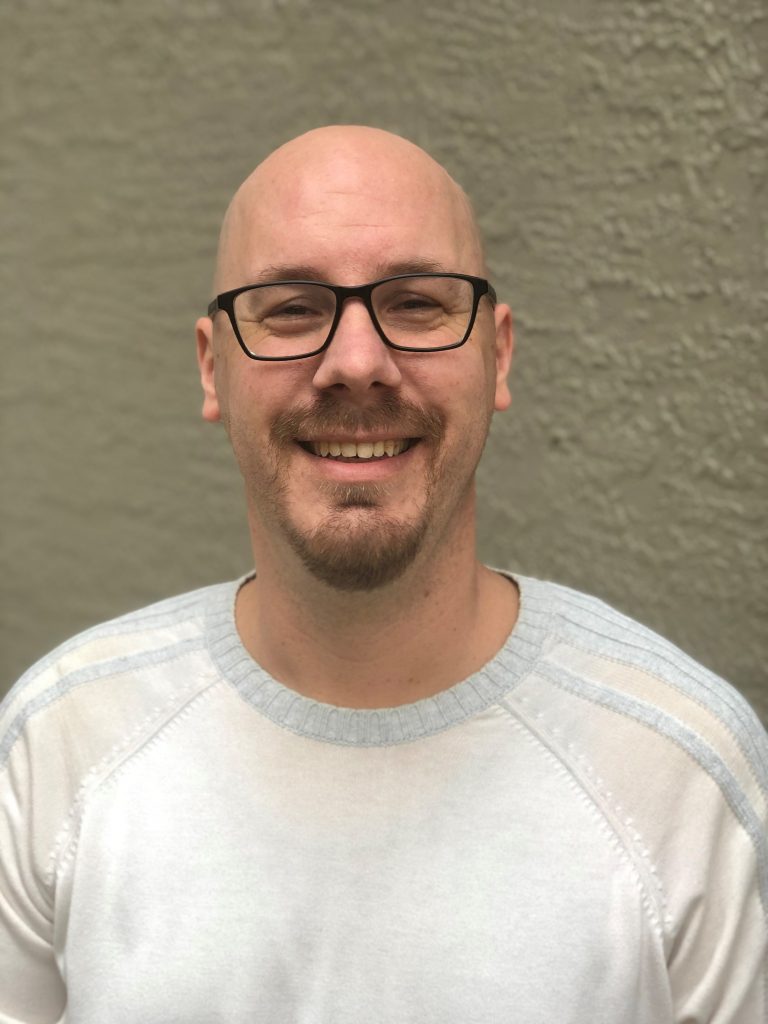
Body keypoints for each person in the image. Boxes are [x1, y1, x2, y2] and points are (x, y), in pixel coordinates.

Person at [0, 126, 765, 1023]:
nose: (356, 362)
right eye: (290, 308)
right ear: (213, 367)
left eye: (416, 304)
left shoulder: (678, 769)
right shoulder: (63, 741)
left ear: (498, 354)